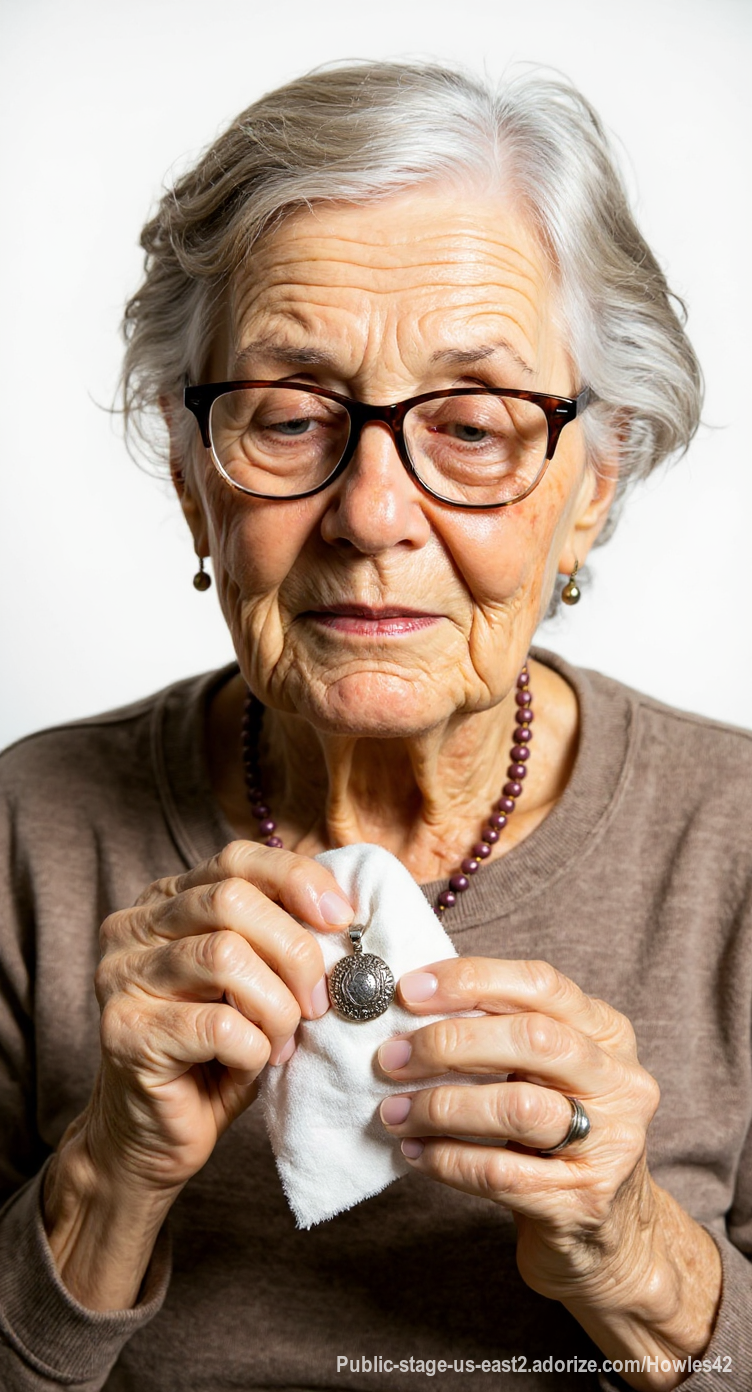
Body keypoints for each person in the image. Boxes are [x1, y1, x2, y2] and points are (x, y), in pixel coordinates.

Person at [0, 60, 749, 1392]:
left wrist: (641, 1257)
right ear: (189, 472)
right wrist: (107, 1179)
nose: (372, 512)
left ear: (594, 482)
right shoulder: (25, 837)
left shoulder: (735, 848)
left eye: (473, 426)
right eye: (291, 419)